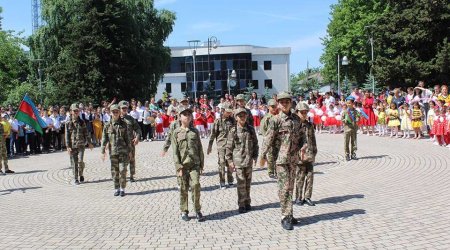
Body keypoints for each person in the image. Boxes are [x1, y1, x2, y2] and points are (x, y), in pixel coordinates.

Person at [260, 92, 307, 231]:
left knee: (290, 187)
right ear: (278, 104)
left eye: (287, 101)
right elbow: (268, 139)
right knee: (284, 188)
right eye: (282, 102)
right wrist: (262, 156)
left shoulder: (297, 120)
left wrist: (304, 145)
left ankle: (289, 214)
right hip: (280, 160)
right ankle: (285, 216)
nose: (285, 103)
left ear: (291, 102)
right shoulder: (275, 120)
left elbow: (302, 137)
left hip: (293, 160)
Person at [171, 105, 205, 222]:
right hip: (183, 166)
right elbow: (175, 152)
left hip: (194, 165)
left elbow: (200, 148)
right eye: (185, 114)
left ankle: (197, 210)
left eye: (189, 114)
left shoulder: (195, 131)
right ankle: (184, 211)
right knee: (183, 189)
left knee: (196, 185)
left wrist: (201, 164)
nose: (187, 116)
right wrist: (178, 167)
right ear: (180, 117)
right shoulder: (176, 132)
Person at [225, 108, 258, 213]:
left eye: (244, 115)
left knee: (248, 183)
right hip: (238, 161)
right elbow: (229, 147)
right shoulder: (233, 130)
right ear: (236, 118)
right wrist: (230, 161)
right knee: (241, 183)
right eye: (240, 116)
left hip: (248, 161)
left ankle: (248, 202)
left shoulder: (251, 129)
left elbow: (255, 143)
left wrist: (255, 156)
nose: (242, 118)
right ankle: (241, 204)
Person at [101, 104, 132, 197]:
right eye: (113, 112)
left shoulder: (124, 124)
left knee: (122, 170)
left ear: (119, 112)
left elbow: (127, 138)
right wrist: (102, 151)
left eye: (116, 111)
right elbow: (104, 139)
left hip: (123, 152)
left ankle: (122, 188)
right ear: (110, 113)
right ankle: (116, 188)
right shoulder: (107, 125)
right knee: (115, 171)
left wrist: (130, 150)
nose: (115, 113)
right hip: (113, 152)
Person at [294, 102, 317, 206]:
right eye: (302, 112)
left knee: (310, 177)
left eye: (305, 112)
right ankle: (298, 197)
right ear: (297, 112)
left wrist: (314, 152)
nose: (304, 114)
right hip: (300, 156)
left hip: (310, 155)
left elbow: (313, 139)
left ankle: (307, 197)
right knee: (300, 177)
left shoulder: (309, 125)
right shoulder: (295, 125)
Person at [207, 103, 235, 189]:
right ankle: (222, 182)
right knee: (222, 163)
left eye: (230, 112)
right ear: (223, 111)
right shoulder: (217, 121)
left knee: (230, 162)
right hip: (221, 145)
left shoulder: (233, 121)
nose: (229, 113)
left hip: (231, 145)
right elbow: (213, 134)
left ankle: (230, 180)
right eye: (227, 112)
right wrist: (210, 146)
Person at [65, 104, 93, 185]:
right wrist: (68, 146)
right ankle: (76, 178)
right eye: (74, 111)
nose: (76, 112)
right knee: (74, 162)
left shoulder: (82, 122)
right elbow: (67, 135)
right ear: (71, 112)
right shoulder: (68, 123)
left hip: (81, 145)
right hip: (72, 146)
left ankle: (81, 174)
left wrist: (90, 143)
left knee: (80, 161)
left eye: (77, 110)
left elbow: (86, 133)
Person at [119, 100, 141, 182]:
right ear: (120, 109)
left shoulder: (130, 118)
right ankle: (122, 175)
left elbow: (138, 128)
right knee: (121, 160)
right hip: (120, 144)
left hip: (130, 143)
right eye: (123, 108)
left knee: (132, 159)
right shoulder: (116, 119)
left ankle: (132, 175)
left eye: (126, 108)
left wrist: (137, 137)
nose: (125, 110)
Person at [260, 99, 279, 178]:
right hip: (270, 139)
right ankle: (271, 172)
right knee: (271, 156)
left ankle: (277, 171)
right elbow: (263, 129)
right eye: (272, 107)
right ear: (268, 107)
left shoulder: (278, 116)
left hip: (278, 139)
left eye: (275, 106)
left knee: (277, 156)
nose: (274, 108)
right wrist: (267, 138)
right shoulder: (266, 118)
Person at [341, 96, 361, 161]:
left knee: (354, 142)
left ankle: (353, 154)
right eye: (347, 103)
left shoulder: (356, 111)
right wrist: (344, 120)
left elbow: (358, 117)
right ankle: (347, 154)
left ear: (353, 103)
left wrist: (357, 119)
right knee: (346, 142)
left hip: (354, 128)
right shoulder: (345, 111)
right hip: (347, 128)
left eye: (349, 103)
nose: (348, 104)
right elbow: (342, 119)